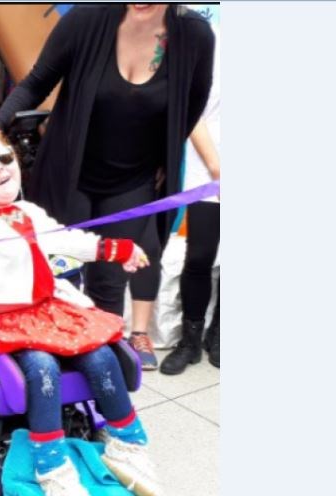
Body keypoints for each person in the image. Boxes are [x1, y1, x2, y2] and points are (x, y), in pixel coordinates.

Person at [0, 4, 215, 371]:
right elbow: (36, 81)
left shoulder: (194, 35)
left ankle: (97, 380)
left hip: (132, 182)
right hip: (70, 174)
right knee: (59, 278)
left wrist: (164, 153)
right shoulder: (87, 19)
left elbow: (193, 103)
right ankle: (52, 373)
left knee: (109, 283)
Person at [0, 128, 159, 496]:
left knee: (102, 355)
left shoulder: (29, 212)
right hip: (6, 316)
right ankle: (50, 464)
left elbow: (66, 238)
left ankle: (127, 444)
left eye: (4, 159)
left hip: (47, 309)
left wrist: (116, 250)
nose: (1, 170)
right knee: (41, 367)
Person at [161, 22, 220, 375]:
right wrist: (215, 165)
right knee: (199, 255)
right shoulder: (208, 36)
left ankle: (220, 334)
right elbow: (190, 107)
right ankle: (190, 340)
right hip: (208, 167)